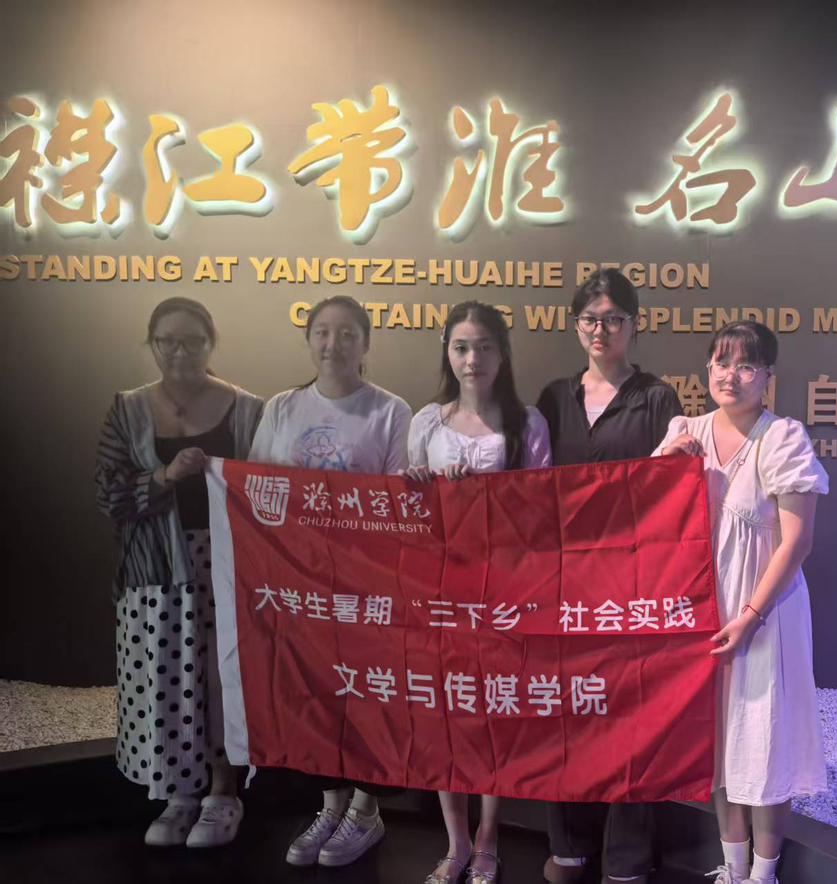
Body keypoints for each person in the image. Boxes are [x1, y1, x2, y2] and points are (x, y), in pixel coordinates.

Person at [655, 321, 828, 884]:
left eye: (746, 365)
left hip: (765, 611)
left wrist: (750, 617)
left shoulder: (783, 438)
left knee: (765, 739)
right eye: (721, 362)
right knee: (719, 744)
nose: (731, 375)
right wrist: (669, 466)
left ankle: (763, 874)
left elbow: (797, 542)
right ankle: (732, 869)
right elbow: (650, 522)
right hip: (703, 613)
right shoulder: (685, 430)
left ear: (768, 377)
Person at [248, 295, 411, 867]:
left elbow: (399, 503)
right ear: (308, 340)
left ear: (366, 343)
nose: (333, 344)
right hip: (301, 585)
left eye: (346, 334)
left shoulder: (391, 412)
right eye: (322, 332)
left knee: (366, 695)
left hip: (365, 586)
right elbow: (256, 489)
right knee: (316, 694)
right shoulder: (282, 408)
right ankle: (330, 805)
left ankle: (366, 810)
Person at [96, 297, 263, 848]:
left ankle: (224, 791)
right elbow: (109, 496)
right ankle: (177, 792)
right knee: (166, 676)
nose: (180, 351)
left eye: (193, 340)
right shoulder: (127, 409)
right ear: (151, 343)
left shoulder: (248, 410)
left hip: (229, 568)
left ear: (212, 342)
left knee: (223, 679)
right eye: (167, 340)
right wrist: (163, 475)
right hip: (155, 570)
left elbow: (270, 490)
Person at [536, 269, 682, 884]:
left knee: (628, 715)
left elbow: (670, 493)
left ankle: (626, 855)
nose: (601, 330)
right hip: (563, 581)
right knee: (565, 710)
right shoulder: (553, 398)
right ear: (576, 326)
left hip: (632, 581)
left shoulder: (658, 399)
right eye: (590, 319)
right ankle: (569, 843)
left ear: (634, 325)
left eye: (614, 319)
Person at [406, 301, 552, 884]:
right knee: (446, 712)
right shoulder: (427, 422)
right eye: (462, 347)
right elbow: (406, 513)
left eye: (485, 346)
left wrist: (491, 496)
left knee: (493, 711)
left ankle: (490, 838)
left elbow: (544, 509)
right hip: (439, 588)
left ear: (503, 353)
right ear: (447, 352)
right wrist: (420, 485)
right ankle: (456, 842)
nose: (473, 359)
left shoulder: (527, 424)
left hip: (503, 590)